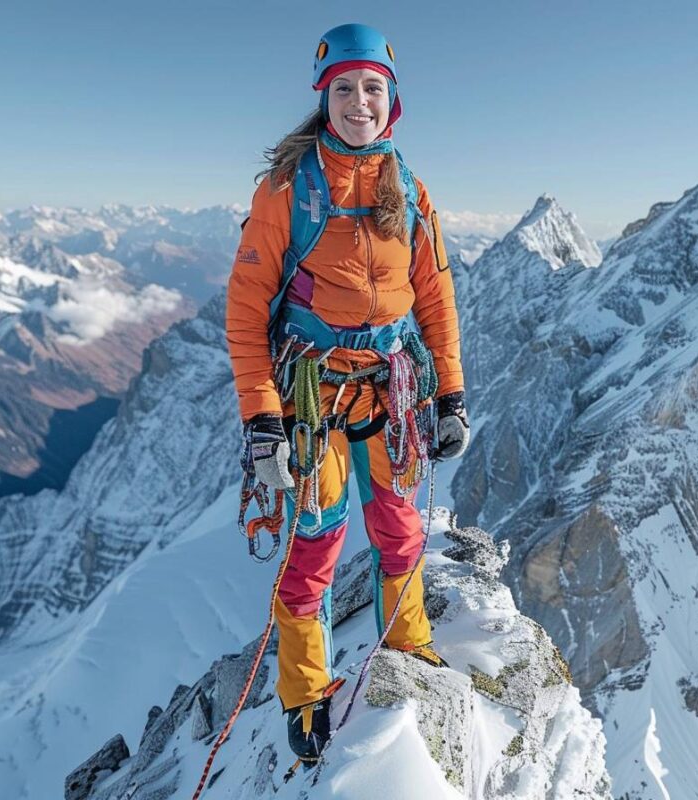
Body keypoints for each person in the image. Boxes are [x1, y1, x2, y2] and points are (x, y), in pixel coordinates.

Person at [224, 23, 470, 765]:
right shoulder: (287, 189)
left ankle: (409, 647)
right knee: (316, 540)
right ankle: (304, 693)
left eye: (372, 89)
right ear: (322, 97)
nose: (358, 102)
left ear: (391, 102)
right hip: (312, 396)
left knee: (399, 528)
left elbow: (434, 296)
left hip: (390, 392)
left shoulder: (409, 188)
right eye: (344, 89)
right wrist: (262, 420)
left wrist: (450, 394)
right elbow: (245, 307)